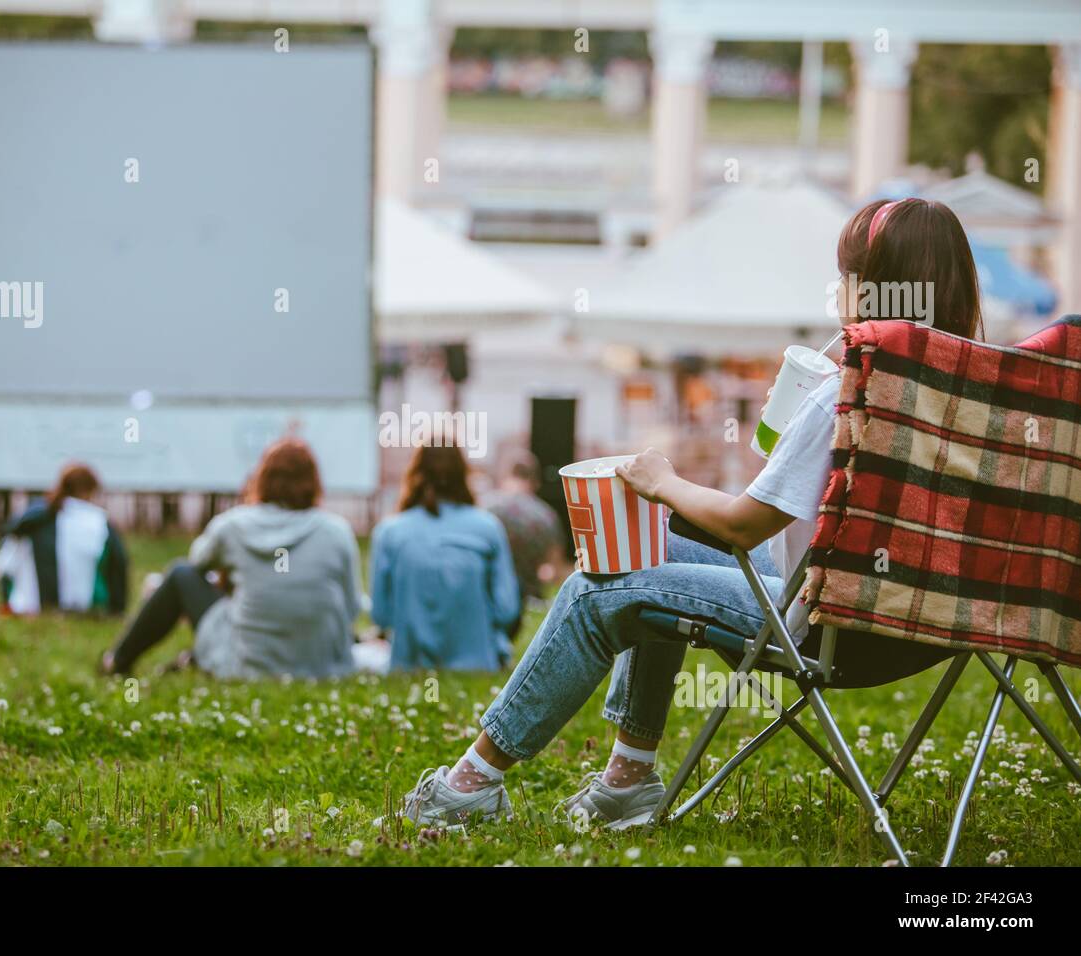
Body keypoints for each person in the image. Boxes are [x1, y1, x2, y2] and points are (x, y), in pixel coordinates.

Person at [400, 198, 985, 827]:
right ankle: (626, 781)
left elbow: (741, 522)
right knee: (646, 552)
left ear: (873, 292)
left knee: (599, 588)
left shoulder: (848, 399)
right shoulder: (975, 397)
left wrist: (664, 482)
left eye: (845, 276)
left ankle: (468, 786)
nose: (836, 290)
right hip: (919, 624)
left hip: (825, 623)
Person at [102, 437, 366, 679]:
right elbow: (352, 607)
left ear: (261, 478)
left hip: (247, 664)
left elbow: (198, 562)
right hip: (322, 665)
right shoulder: (337, 531)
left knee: (181, 574)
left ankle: (118, 660)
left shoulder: (234, 526)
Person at [370, 445, 519, 671]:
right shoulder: (488, 528)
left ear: (414, 474)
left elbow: (381, 615)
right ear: (463, 474)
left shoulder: (389, 533)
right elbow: (506, 609)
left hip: (409, 667)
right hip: (478, 667)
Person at [0, 462, 128, 616]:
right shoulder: (99, 522)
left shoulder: (29, 518)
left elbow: (5, 566)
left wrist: (7, 600)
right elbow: (118, 566)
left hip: (27, 607)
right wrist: (117, 609)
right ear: (89, 491)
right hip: (84, 610)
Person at [478, 450, 565, 640]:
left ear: (505, 475)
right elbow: (553, 572)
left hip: (483, 603)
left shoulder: (483, 507)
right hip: (524, 608)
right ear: (536, 481)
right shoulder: (546, 516)